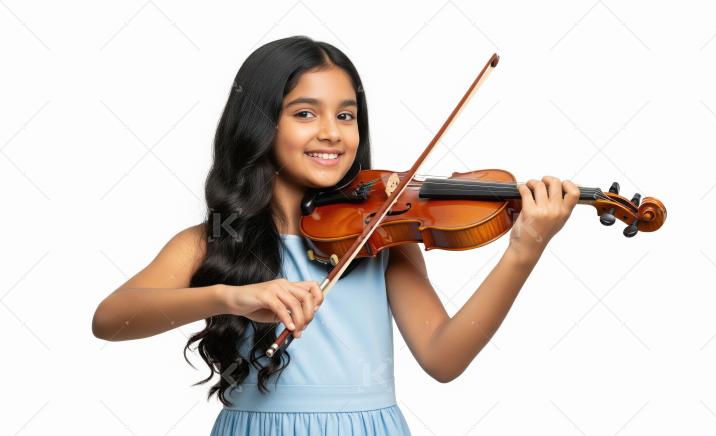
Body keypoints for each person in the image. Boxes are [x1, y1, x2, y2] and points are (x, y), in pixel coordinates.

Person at [91, 35, 580, 435]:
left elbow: (444, 358)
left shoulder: (384, 237)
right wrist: (229, 297)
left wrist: (524, 249)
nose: (332, 132)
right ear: (260, 124)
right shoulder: (211, 239)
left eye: (346, 115)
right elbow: (110, 320)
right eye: (305, 113)